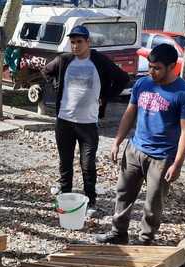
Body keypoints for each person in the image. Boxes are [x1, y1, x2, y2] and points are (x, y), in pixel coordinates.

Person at [96, 43, 185, 245]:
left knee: (153, 204)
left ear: (172, 67)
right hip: (135, 149)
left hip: (162, 157)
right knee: (123, 194)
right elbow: (129, 114)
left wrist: (177, 164)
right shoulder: (143, 84)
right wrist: (117, 142)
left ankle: (146, 240)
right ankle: (118, 233)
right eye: (150, 66)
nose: (152, 71)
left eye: (157, 68)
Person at [41, 25, 129, 213]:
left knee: (87, 164)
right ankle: (65, 196)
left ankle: (90, 201)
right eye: (72, 42)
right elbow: (46, 71)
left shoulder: (99, 61)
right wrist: (57, 86)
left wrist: (106, 95)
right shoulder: (64, 60)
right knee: (65, 162)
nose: (75, 46)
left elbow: (122, 79)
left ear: (88, 42)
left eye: (79, 42)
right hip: (64, 120)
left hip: (88, 124)